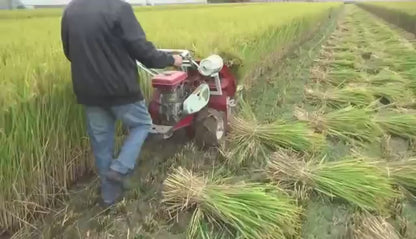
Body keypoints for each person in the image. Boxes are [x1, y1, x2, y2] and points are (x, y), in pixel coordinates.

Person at [61, 0, 182, 207]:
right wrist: (171, 59)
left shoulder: (70, 10)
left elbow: (69, 52)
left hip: (88, 91)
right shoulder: (119, 8)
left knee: (102, 145)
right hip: (120, 89)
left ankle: (109, 196)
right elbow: (143, 52)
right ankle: (120, 168)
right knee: (142, 124)